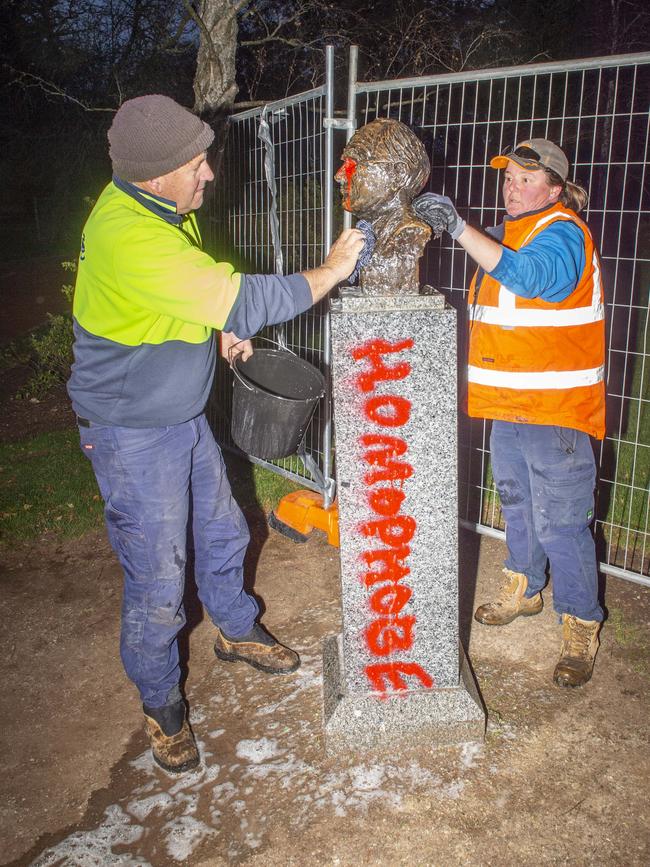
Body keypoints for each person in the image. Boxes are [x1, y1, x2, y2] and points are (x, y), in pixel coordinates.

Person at [67, 94, 363, 774]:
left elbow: (183, 301)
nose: (208, 175)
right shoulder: (129, 235)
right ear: (154, 175)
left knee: (226, 531)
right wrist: (332, 270)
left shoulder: (163, 211)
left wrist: (216, 329)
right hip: (132, 431)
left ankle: (234, 629)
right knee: (159, 577)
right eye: (197, 166)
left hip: (178, 414)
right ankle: (162, 703)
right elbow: (242, 295)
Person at [413, 138, 606, 688]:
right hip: (508, 407)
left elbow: (536, 280)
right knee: (518, 506)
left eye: (526, 179)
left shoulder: (564, 232)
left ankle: (579, 620)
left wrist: (457, 227)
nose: (512, 187)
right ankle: (524, 586)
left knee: (562, 523)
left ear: (555, 188)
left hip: (555, 410)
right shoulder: (510, 233)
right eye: (508, 178)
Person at [335, 117, 431, 295]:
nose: (340, 175)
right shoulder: (373, 236)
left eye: (353, 165)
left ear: (398, 174)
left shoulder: (408, 235)